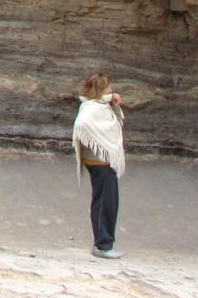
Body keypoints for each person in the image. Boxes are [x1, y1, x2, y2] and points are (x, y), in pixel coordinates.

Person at [72, 72, 125, 259]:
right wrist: (97, 144)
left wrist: (116, 107)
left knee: (110, 201)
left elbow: (115, 124)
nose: (111, 91)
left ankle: (105, 243)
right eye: (108, 88)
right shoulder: (90, 108)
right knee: (105, 202)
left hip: (106, 160)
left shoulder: (103, 106)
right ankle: (102, 245)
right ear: (100, 89)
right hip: (99, 161)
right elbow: (83, 125)